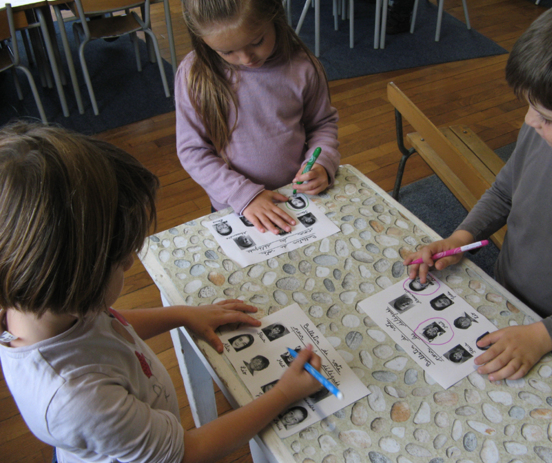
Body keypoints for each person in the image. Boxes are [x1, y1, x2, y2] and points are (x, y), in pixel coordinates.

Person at [0, 122, 323, 463]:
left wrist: (183, 314)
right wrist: (284, 393)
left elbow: (108, 326)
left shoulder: (44, 310)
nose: (131, 259)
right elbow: (188, 451)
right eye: (124, 260)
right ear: (78, 283)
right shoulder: (78, 399)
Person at [405, 0, 552, 382]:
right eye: (529, 106)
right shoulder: (546, 130)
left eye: (546, 117)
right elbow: (505, 191)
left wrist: (542, 335)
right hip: (506, 288)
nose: (528, 120)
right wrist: (460, 237)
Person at [176, 0, 340, 236]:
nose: (246, 59)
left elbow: (322, 124)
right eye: (227, 51)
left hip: (295, 196)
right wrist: (244, 195)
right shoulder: (194, 75)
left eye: (256, 41)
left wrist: (323, 164)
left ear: (275, 17)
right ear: (204, 42)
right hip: (236, 205)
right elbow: (193, 151)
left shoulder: (303, 67)